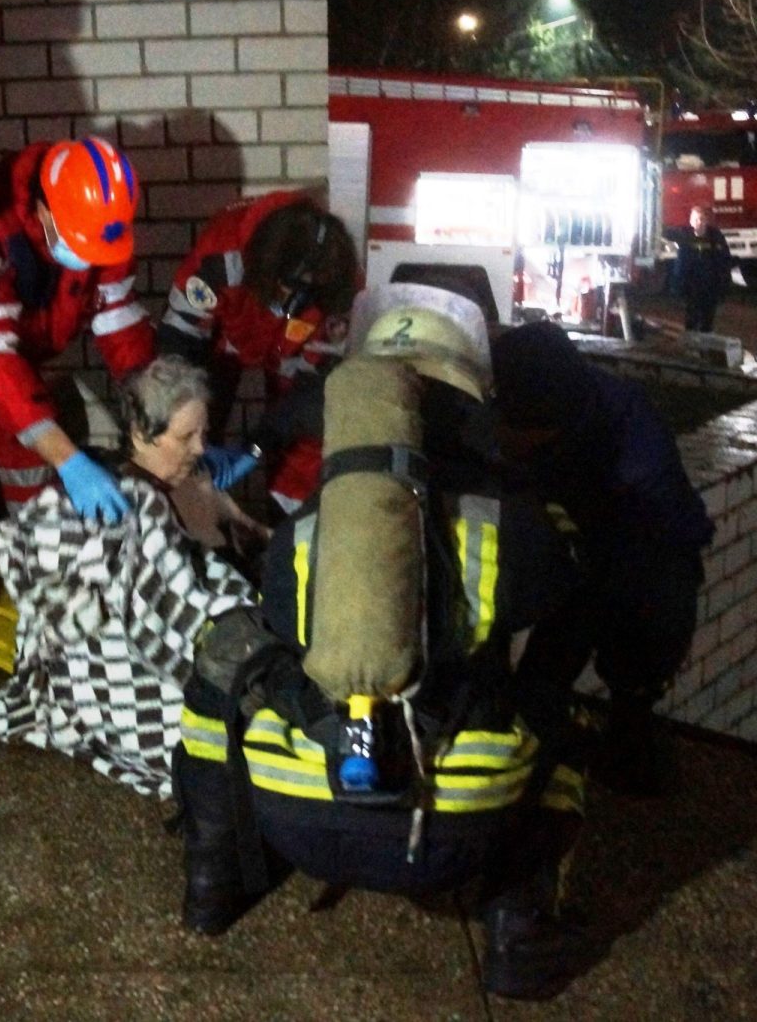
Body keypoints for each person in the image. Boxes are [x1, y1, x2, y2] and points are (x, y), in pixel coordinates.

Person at [173, 285, 599, 1001]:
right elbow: (565, 611)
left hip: (295, 813)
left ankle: (211, 883)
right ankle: (519, 937)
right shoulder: (511, 522)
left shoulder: (318, 523)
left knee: (225, 652)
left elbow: (280, 621)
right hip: (453, 831)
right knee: (566, 709)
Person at [0, 357, 261, 797]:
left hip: (216, 630)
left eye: (204, 435)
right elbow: (96, 605)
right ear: (141, 433)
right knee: (228, 738)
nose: (201, 448)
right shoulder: (113, 500)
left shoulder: (190, 479)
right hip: (133, 672)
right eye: (186, 436)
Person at [490, 320, 712, 794]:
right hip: (576, 548)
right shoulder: (535, 393)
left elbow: (661, 537)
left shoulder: (629, 443)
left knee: (613, 642)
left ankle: (622, 735)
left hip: (630, 558)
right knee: (538, 679)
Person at [0, 137, 154, 522]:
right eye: (78, 247)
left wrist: (160, 407)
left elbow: (118, 319)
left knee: (28, 434)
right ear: (42, 209)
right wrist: (70, 460)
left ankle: (37, 544)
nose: (86, 263)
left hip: (7, 351)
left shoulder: (98, 222)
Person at [157, 192, 358, 512]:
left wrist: (257, 447)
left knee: (302, 445)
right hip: (222, 336)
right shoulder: (222, 254)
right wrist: (187, 420)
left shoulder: (337, 279)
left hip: (292, 352)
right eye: (291, 288)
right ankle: (194, 521)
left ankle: (289, 536)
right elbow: (179, 338)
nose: (294, 303)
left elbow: (314, 390)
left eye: (307, 293)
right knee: (191, 425)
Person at [672, 204, 735, 332]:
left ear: (706, 221)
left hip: (710, 287)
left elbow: (724, 260)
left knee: (708, 320)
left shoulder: (716, 237)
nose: (699, 223)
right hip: (692, 287)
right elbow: (681, 264)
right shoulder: (686, 238)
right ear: (691, 221)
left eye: (701, 219)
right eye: (695, 219)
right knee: (691, 319)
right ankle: (691, 346)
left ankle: (705, 347)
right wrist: (678, 286)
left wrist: (724, 284)